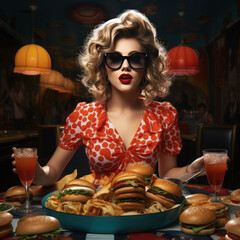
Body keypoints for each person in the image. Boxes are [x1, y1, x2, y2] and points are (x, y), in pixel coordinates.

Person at [12, 10, 205, 187]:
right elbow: (52, 172)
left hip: (146, 212)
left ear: (147, 66)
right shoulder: (84, 115)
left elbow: (167, 175)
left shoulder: (164, 114)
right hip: (98, 214)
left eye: (135, 58)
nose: (125, 66)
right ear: (102, 66)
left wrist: (192, 169)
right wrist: (37, 173)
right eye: (114, 58)